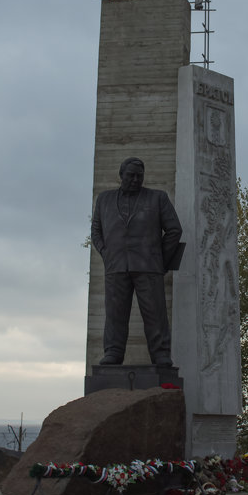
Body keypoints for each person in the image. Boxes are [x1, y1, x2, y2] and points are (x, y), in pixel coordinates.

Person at [91, 157, 182, 366]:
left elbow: (174, 230)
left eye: (139, 176)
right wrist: (105, 253)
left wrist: (160, 260)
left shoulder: (157, 198)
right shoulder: (104, 199)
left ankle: (160, 354)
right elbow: (96, 230)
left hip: (149, 267)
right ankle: (113, 352)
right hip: (115, 266)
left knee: (155, 314)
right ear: (121, 175)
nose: (135, 180)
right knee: (115, 314)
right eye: (130, 175)